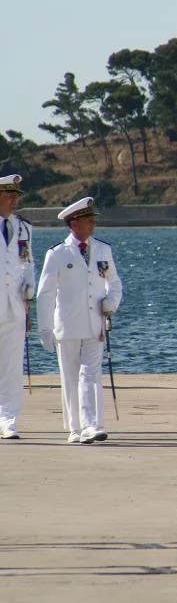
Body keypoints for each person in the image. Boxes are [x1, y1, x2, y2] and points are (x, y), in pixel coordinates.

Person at [36, 197, 123, 444]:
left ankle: (92, 424)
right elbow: (45, 293)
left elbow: (114, 283)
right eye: (88, 220)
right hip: (68, 324)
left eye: (93, 220)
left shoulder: (103, 249)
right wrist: (45, 329)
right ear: (74, 224)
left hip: (95, 324)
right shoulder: (57, 254)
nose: (93, 224)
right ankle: (75, 428)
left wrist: (111, 303)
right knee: (71, 377)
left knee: (91, 374)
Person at [0, 174, 34, 440]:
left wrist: (29, 297)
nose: (14, 201)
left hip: (14, 306)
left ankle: (9, 419)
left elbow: (28, 264)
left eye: (16, 196)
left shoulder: (24, 228)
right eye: (9, 196)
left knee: (12, 367)